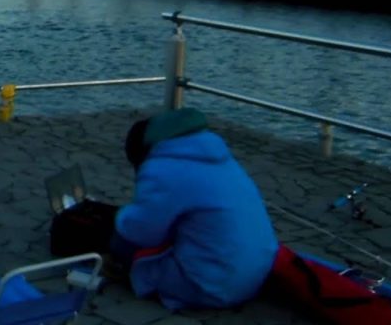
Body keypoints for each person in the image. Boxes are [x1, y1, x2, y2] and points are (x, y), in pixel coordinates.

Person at [110, 107, 279, 310]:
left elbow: (141, 233)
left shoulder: (162, 168)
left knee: (119, 242)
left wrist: (119, 218)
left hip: (210, 286)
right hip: (257, 276)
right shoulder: (220, 158)